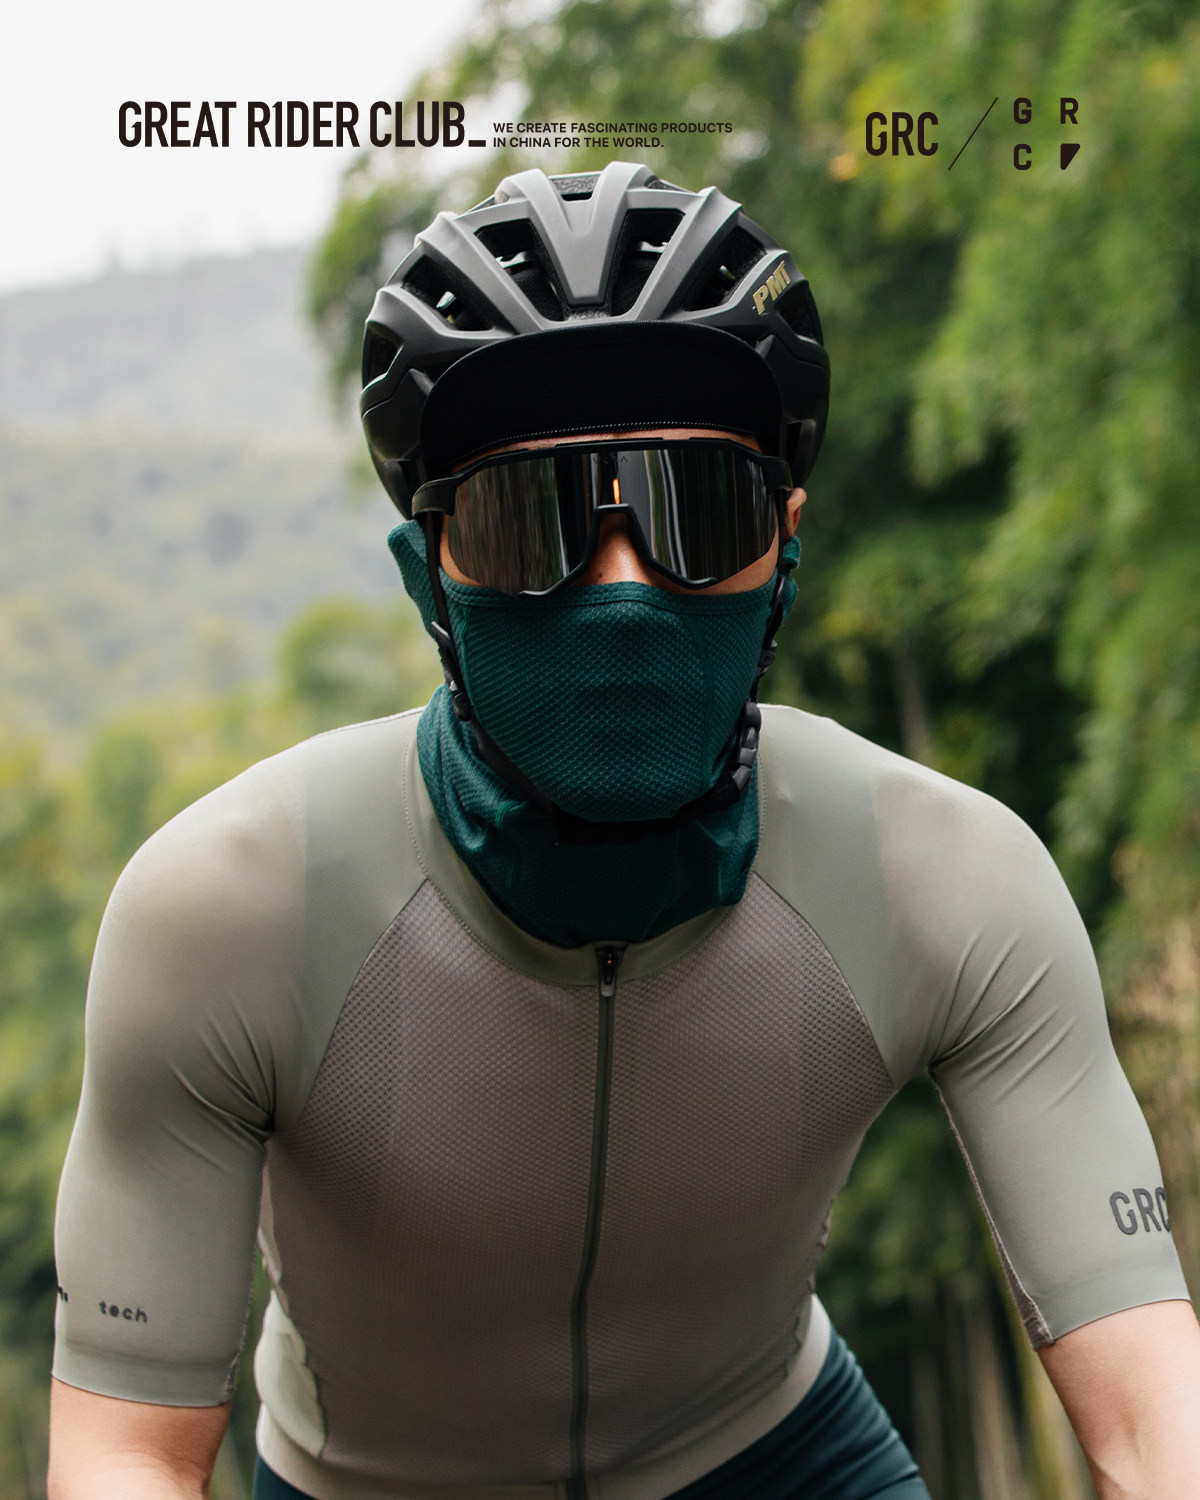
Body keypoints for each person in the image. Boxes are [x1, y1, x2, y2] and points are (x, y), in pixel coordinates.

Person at [48, 163, 1200, 1500]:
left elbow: (1155, 1411)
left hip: (779, 1459)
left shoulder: (944, 879)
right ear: (429, 579)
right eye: (526, 521)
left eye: (698, 512)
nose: (625, 584)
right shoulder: (230, 912)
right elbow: (125, 1450)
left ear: (785, 549)